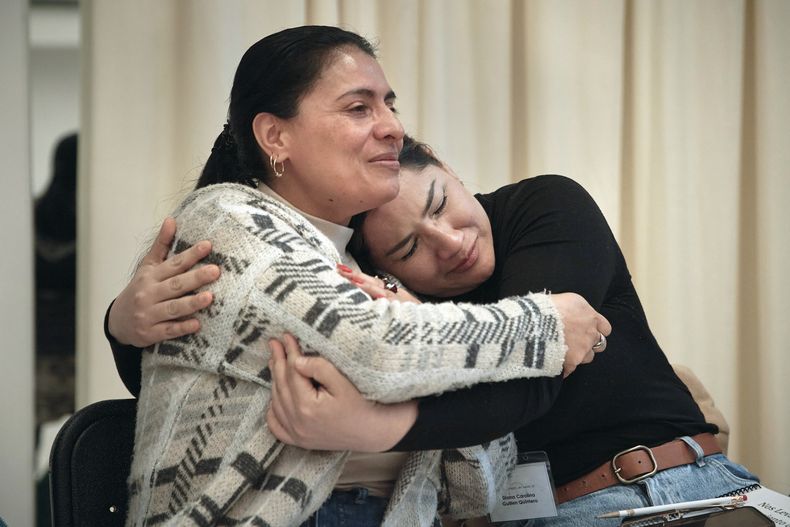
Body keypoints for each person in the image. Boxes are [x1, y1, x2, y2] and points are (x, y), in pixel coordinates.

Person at [113, 26, 610, 527]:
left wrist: (400, 398)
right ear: (276, 137)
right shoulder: (228, 219)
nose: (393, 126)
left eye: (389, 105)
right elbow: (375, 346)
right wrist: (547, 323)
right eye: (358, 108)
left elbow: (477, 487)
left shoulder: (361, 267)